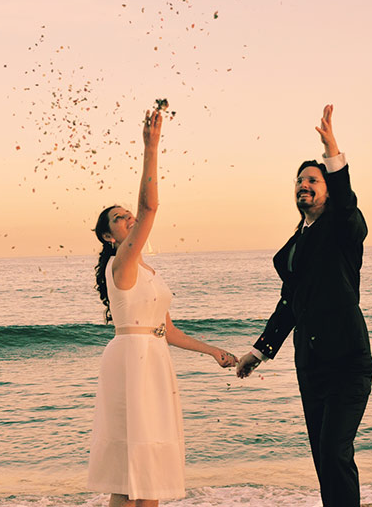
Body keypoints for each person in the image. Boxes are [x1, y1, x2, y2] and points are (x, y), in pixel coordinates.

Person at [86, 108, 238, 507]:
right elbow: (151, 207)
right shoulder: (122, 263)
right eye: (120, 219)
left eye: (128, 214)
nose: (130, 218)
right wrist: (151, 148)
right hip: (131, 361)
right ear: (108, 235)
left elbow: (166, 331)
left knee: (151, 470)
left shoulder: (148, 269)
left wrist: (212, 351)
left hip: (153, 358)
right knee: (127, 471)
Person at [236, 104, 372, 507]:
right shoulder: (294, 248)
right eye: (299, 181)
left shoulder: (343, 230)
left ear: (328, 189)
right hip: (311, 368)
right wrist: (258, 352)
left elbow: (347, 203)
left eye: (313, 180)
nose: (304, 185)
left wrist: (332, 151)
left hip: (348, 362)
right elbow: (289, 306)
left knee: (336, 453)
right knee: (323, 461)